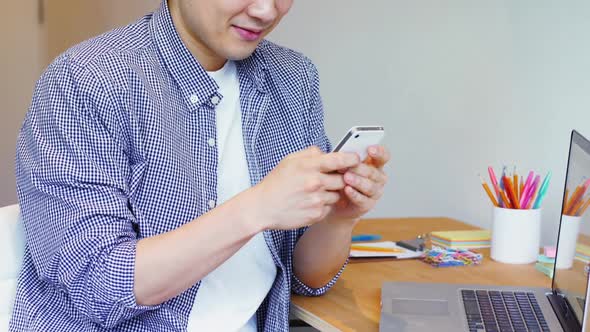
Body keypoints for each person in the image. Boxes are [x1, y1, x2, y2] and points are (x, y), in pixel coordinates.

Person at [11, 0, 390, 331]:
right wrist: (258, 207)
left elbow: (305, 279)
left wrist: (338, 219)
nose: (266, 10)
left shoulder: (293, 79)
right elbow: (99, 286)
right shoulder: (86, 81)